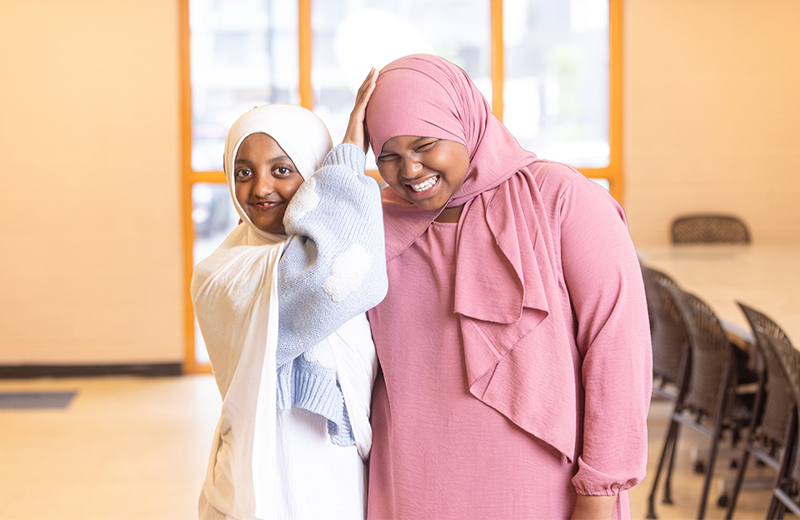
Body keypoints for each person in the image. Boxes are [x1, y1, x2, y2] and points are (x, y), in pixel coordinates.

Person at [363, 54, 652, 520]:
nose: (410, 170)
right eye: (388, 155)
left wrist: (600, 493)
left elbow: (618, 348)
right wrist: (338, 173)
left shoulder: (557, 198)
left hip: (543, 490)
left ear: (465, 123)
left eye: (425, 145)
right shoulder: (373, 225)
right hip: (413, 486)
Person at [191, 70, 387, 520]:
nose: (260, 188)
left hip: (336, 463)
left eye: (282, 169)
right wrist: (348, 162)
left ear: (315, 172)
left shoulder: (326, 248)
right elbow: (323, 281)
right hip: (262, 463)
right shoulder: (221, 273)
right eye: (244, 172)